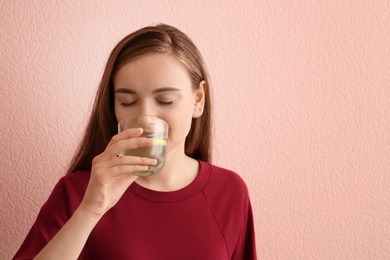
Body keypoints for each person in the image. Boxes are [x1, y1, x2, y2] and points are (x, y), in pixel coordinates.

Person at [13, 23, 257, 260]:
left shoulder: (230, 192)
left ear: (198, 100)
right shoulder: (78, 192)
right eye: (127, 102)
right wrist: (89, 211)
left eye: (165, 100)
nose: (146, 118)